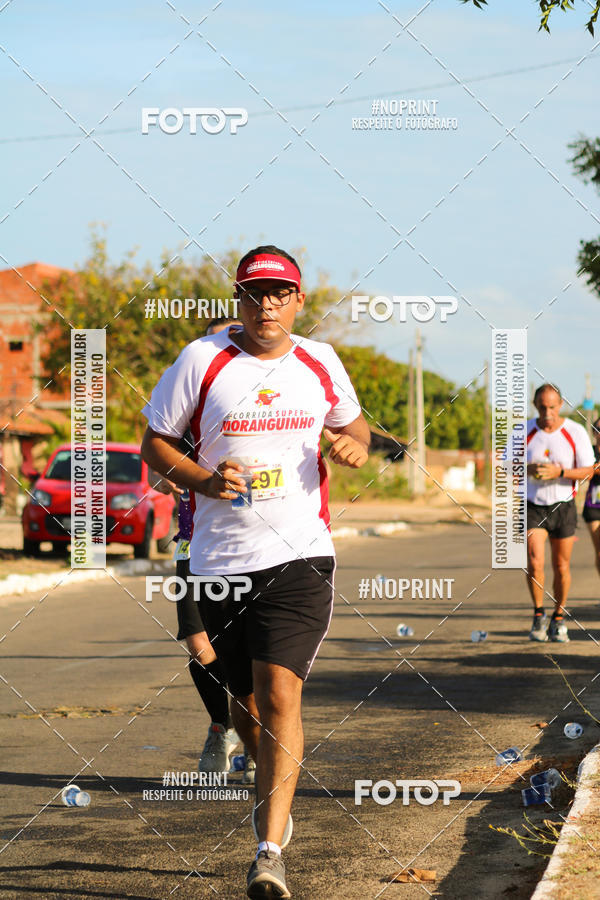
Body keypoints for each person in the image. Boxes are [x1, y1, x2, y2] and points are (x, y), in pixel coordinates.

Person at [141, 245, 369, 899]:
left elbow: (353, 428)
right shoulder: (202, 360)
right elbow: (153, 444)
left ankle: (268, 853)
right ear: (237, 299)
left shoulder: (320, 362)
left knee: (280, 697)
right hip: (218, 562)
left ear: (299, 302)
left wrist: (354, 443)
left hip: (300, 555)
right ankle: (271, 784)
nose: (266, 304)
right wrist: (206, 481)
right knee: (246, 710)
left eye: (280, 293)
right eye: (254, 293)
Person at [154, 316, 257, 778]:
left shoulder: (261, 415)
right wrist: (177, 480)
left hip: (256, 547)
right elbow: (157, 473)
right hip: (192, 546)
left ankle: (257, 742)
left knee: (252, 653)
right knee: (200, 645)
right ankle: (222, 725)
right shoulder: (184, 413)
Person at [526, 384, 595, 643]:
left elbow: (588, 470)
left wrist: (560, 473)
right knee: (534, 560)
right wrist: (528, 468)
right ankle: (538, 613)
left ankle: (558, 616)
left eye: (552, 407)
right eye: (542, 407)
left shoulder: (575, 432)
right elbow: (506, 466)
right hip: (533, 504)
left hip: (563, 505)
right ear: (535, 405)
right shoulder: (524, 431)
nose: (547, 413)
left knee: (561, 565)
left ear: (561, 404)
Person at [582, 417, 600, 581]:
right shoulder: (589, 452)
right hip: (594, 506)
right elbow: (584, 472)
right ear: (594, 433)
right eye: (599, 430)